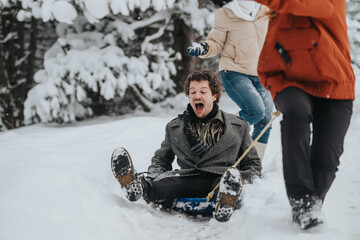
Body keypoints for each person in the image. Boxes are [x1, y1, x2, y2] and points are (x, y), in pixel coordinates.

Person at [252, 0, 355, 230]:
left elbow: (312, 6)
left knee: (326, 161)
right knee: (296, 114)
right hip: (291, 84)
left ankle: (309, 209)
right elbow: (268, 58)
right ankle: (302, 202)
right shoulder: (279, 14)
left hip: (336, 87)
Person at [111, 69, 261, 222]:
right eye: (192, 92)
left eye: (203, 91)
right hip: (188, 178)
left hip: (220, 179)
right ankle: (138, 188)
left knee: (224, 184)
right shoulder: (175, 127)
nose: (197, 96)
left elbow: (253, 165)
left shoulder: (238, 127)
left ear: (214, 96)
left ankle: (226, 201)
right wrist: (153, 177)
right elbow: (161, 160)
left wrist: (239, 178)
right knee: (166, 185)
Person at [186, 0, 273, 161]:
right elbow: (216, 42)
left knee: (266, 120)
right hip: (235, 72)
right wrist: (204, 48)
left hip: (262, 73)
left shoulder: (266, 11)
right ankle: (215, 131)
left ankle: (253, 164)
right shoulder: (226, 13)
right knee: (256, 111)